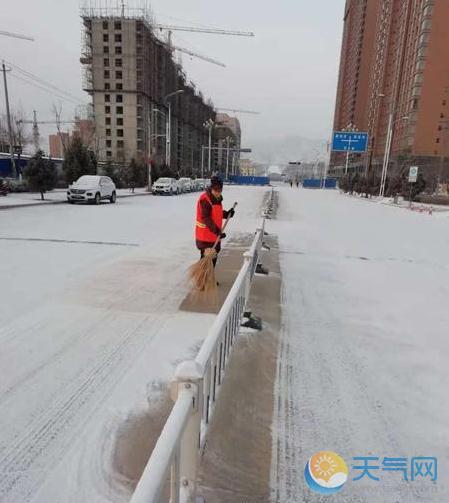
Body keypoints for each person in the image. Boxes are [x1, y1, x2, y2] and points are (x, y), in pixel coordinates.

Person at [195, 176, 235, 268]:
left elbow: (217, 213)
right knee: (206, 262)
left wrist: (227, 214)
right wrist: (217, 231)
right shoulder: (205, 200)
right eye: (216, 190)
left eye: (220, 190)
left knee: (212, 261)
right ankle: (204, 281)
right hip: (205, 236)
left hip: (213, 236)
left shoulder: (216, 199)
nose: (218, 192)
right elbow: (206, 218)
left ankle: (209, 280)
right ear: (211, 188)